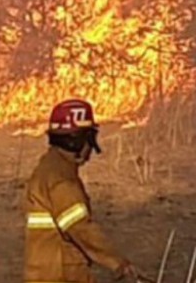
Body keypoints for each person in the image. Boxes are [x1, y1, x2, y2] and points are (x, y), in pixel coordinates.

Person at [24, 99, 141, 283]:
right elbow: (80, 228)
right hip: (61, 275)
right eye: (89, 139)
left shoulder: (50, 167)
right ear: (76, 141)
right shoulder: (62, 181)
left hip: (47, 271)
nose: (91, 148)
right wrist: (117, 263)